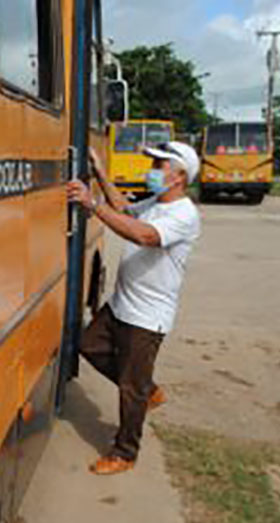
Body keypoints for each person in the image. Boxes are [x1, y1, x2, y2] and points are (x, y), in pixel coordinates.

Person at [66, 141, 202, 476]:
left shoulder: (183, 214)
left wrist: (92, 204)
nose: (151, 170)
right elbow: (125, 210)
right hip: (121, 304)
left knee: (130, 389)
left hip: (147, 317)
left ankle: (125, 452)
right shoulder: (157, 202)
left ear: (179, 176)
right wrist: (100, 173)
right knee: (88, 345)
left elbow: (144, 236)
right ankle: (148, 391)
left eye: (159, 165)